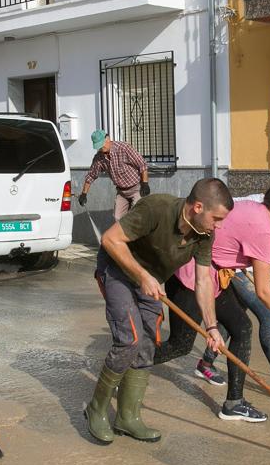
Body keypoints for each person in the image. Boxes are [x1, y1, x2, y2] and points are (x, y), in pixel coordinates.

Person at [83, 179, 232, 444]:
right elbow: (110, 239)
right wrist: (142, 275)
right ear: (198, 207)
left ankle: (128, 418)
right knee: (130, 339)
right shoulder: (156, 208)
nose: (218, 225)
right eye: (216, 218)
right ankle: (96, 409)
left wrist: (211, 327)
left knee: (148, 344)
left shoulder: (204, 235)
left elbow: (203, 280)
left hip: (148, 279)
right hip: (117, 268)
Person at [155, 179, 270, 422]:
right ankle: (128, 362)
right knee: (180, 346)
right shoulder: (263, 231)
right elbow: (264, 292)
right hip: (192, 275)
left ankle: (234, 403)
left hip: (216, 274)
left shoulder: (255, 208)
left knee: (241, 327)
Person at [194, 160, 270, 396]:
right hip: (233, 266)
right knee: (268, 314)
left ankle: (206, 362)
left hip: (252, 264)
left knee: (235, 320)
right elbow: (224, 215)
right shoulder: (258, 204)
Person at [77, 129, 150, 220]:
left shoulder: (124, 148)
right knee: (117, 217)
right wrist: (84, 194)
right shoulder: (99, 157)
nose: (100, 149)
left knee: (136, 216)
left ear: (107, 139)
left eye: (101, 145)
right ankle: (124, 234)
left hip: (137, 188)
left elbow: (142, 164)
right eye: (98, 147)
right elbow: (91, 176)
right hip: (121, 192)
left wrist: (145, 183)